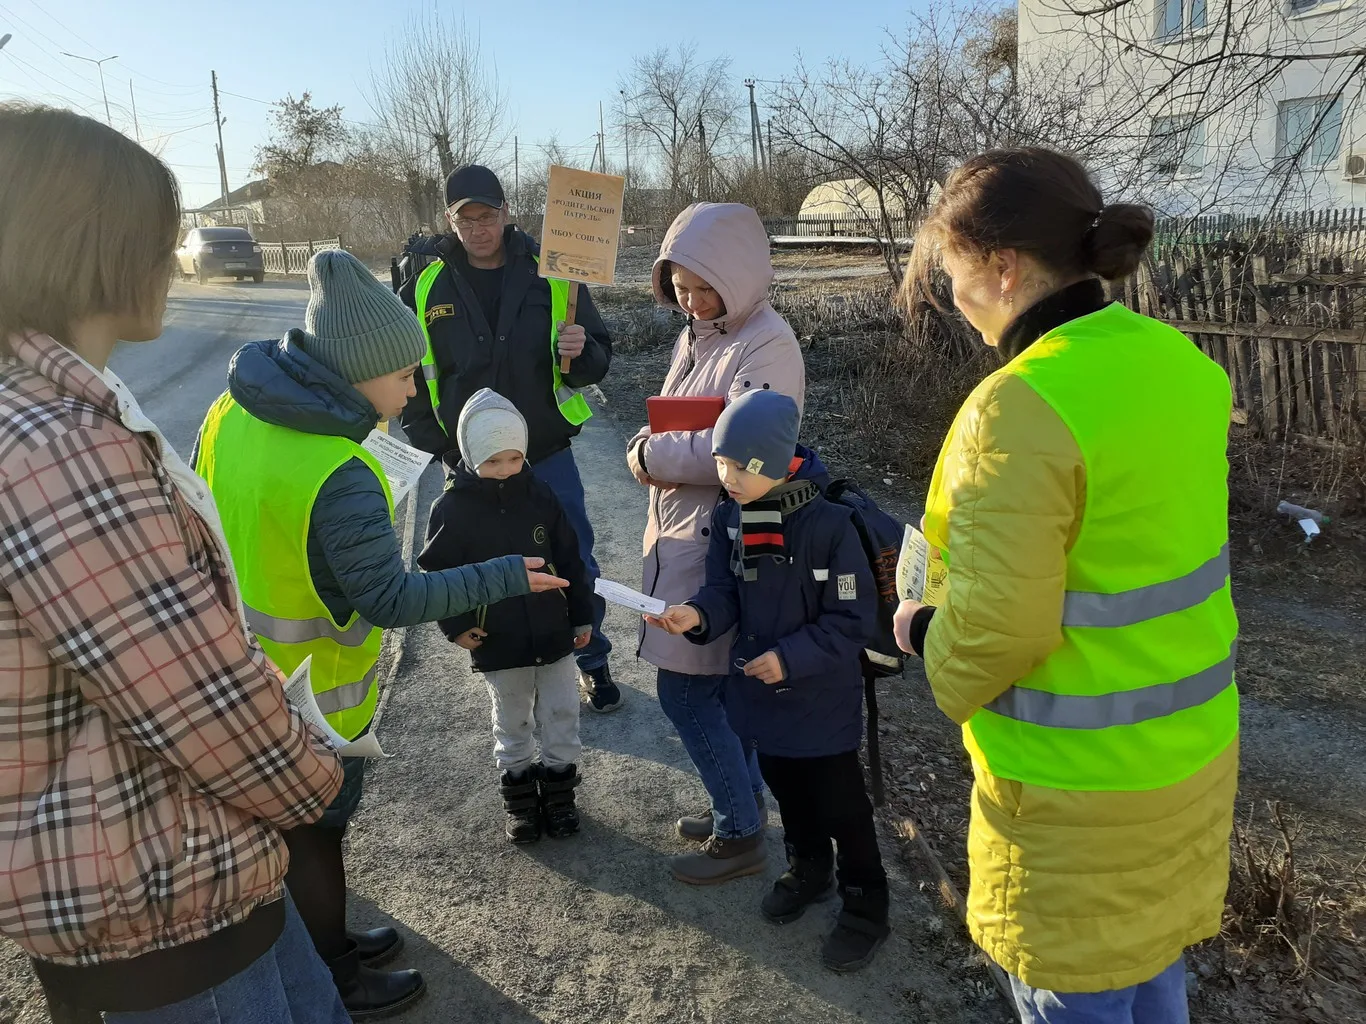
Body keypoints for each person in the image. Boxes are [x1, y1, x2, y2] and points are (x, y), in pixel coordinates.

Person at [0, 103, 350, 1023]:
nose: (175, 253)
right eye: (163, 232)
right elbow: (194, 698)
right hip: (166, 926)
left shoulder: (46, 418)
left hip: (175, 901)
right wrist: (319, 780)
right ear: (95, 244)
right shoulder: (61, 450)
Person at [893, 148, 1239, 1023]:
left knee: (1079, 996)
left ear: (1003, 268)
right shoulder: (1177, 365)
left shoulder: (1016, 410)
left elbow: (994, 636)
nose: (956, 298)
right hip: (1187, 771)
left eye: (955, 273)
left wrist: (922, 633)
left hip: (1073, 814)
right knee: (1154, 982)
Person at [194, 249, 568, 1018]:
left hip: (240, 664)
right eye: (404, 375)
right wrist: (503, 575)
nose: (413, 391)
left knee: (294, 833)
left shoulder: (233, 410)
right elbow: (392, 598)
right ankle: (333, 970)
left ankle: (322, 935)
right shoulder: (340, 469)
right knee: (317, 832)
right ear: (356, 368)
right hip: (313, 692)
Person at [646, 390, 888, 971]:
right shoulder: (733, 514)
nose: (721, 475)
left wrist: (792, 657)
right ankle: (809, 870)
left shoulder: (830, 525)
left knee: (841, 805)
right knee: (786, 788)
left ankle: (866, 904)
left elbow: (852, 620)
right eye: (720, 463)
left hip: (821, 698)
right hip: (761, 692)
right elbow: (724, 593)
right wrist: (698, 616)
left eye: (733, 466)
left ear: (770, 465)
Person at [626, 202, 806, 883]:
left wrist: (649, 455)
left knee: (686, 693)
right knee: (717, 688)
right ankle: (741, 804)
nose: (694, 302)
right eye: (681, 284)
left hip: (719, 543)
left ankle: (739, 831)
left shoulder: (767, 343)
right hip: (686, 534)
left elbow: (744, 449)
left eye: (707, 288)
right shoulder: (701, 332)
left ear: (741, 278)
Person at [398, 165, 620, 712]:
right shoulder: (426, 286)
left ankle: (590, 659)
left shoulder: (555, 274)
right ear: (450, 220)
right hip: (470, 463)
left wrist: (580, 349)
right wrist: (443, 446)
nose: (478, 228)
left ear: (506, 213)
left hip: (544, 452)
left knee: (570, 559)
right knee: (486, 566)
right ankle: (513, 665)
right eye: (465, 217)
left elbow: (594, 362)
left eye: (488, 215)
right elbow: (411, 375)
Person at [419, 389, 594, 844]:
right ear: (470, 454)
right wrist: (455, 626)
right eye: (492, 461)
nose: (504, 470)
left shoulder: (541, 496)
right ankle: (521, 804)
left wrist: (581, 616)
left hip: (554, 634)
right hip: (500, 640)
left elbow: (570, 559)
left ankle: (560, 799)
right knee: (512, 722)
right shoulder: (451, 509)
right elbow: (437, 575)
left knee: (561, 716)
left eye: (514, 459)